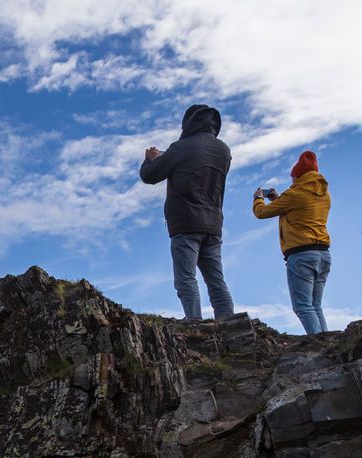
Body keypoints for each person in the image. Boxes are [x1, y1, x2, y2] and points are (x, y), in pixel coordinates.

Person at [140, 104, 236, 321]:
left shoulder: (181, 147)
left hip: (185, 222)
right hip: (213, 224)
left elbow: (150, 175)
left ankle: (194, 322)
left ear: (189, 122)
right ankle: (230, 325)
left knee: (186, 278)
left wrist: (150, 158)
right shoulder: (224, 151)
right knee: (216, 281)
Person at [251, 150, 332, 334]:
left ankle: (320, 347)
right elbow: (299, 209)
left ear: (299, 176)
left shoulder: (294, 194)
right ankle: (328, 343)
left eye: (294, 177)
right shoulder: (324, 194)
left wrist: (258, 198)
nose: (292, 181)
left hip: (302, 254)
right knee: (315, 306)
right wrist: (279, 199)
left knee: (303, 306)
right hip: (323, 254)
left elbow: (261, 213)